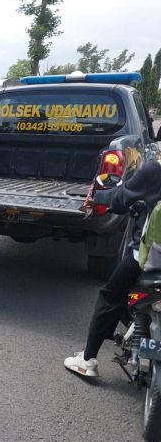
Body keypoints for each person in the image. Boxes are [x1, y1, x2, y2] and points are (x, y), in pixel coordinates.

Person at [65, 161, 161, 377]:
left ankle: (88, 360)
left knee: (109, 295)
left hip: (148, 257)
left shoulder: (153, 170)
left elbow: (119, 200)